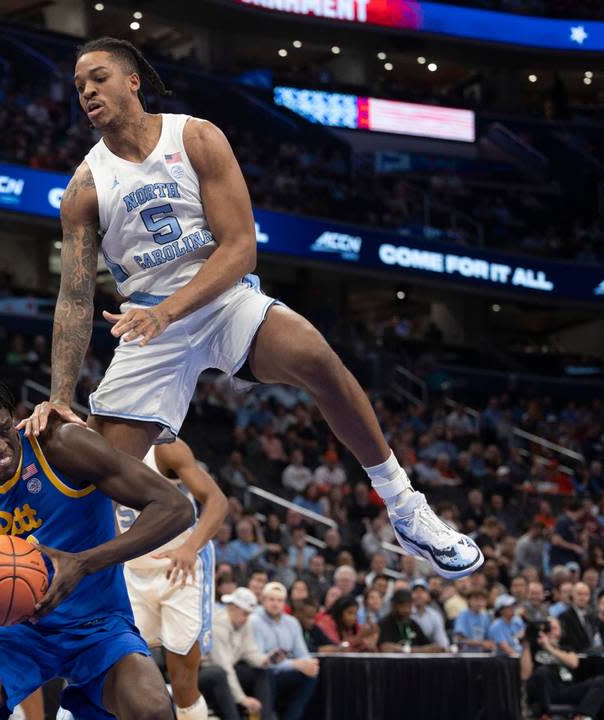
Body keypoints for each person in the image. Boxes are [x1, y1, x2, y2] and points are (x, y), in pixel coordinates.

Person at [24, 36, 482, 581]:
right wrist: (58, 395)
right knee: (100, 480)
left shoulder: (194, 137)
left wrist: (169, 310)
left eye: (98, 77)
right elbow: (74, 295)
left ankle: (407, 510)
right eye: (79, 86)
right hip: (148, 325)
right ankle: (55, 587)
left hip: (220, 297)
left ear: (132, 81)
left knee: (314, 354)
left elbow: (240, 246)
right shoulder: (84, 186)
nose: (87, 91)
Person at [0, 379, 192, 719]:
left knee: (153, 710)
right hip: (17, 632)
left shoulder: (59, 445)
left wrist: (85, 563)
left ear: (13, 416)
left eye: (5, 430)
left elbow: (176, 508)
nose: (1, 445)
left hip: (98, 625)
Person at [114, 437, 225, 720]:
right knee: (115, 668)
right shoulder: (96, 448)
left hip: (181, 569)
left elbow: (217, 501)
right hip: (132, 572)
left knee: (183, 679)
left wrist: (191, 547)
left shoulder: (164, 446)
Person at [249, 582, 319, 720]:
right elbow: (261, 660)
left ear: (284, 603)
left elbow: (302, 654)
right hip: (262, 672)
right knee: (267, 674)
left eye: (279, 600)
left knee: (311, 675)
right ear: (263, 600)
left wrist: (309, 664)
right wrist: (294, 664)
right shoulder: (254, 621)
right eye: (271, 599)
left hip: (284, 672)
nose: (275, 604)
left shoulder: (292, 622)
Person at [522, 616, 604, 720]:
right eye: (548, 628)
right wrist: (526, 644)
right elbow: (524, 674)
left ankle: (583, 716)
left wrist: (549, 648)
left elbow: (574, 663)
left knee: (601, 681)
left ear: (560, 631)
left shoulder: (566, 647)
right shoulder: (534, 649)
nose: (551, 631)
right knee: (542, 671)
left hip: (567, 689)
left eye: (555, 628)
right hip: (547, 693)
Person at [209, 587, 270, 720]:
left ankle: (266, 717)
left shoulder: (244, 622)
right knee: (220, 674)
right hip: (206, 672)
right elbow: (224, 665)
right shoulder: (217, 626)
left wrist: (265, 660)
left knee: (260, 672)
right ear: (233, 608)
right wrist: (242, 699)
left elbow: (249, 651)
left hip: (227, 668)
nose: (247, 618)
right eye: (245, 613)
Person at [377, 589, 442, 653]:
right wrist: (416, 650)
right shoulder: (384, 624)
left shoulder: (412, 624)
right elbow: (386, 647)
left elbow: (427, 646)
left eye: (409, 606)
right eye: (403, 606)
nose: (406, 610)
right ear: (394, 606)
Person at [559, 581, 599, 653]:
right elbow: (564, 643)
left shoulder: (592, 616)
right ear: (572, 595)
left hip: (593, 656)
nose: (583, 597)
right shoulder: (564, 617)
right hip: (576, 657)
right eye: (579, 594)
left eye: (586, 594)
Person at [409, 579, 449, 648]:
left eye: (422, 591)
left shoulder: (434, 615)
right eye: (415, 591)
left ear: (428, 595)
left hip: (429, 654)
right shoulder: (405, 613)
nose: (419, 595)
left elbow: (442, 643)